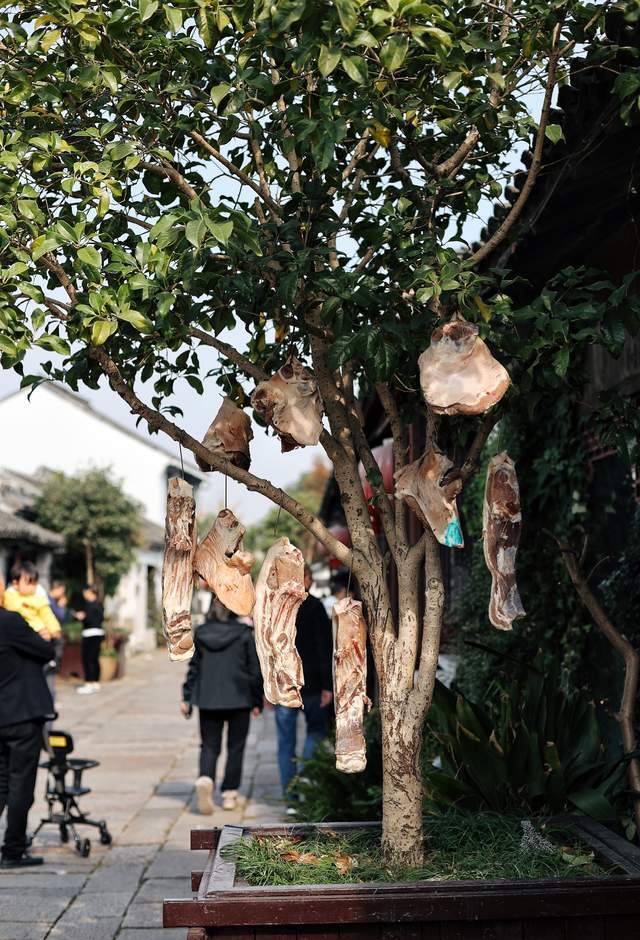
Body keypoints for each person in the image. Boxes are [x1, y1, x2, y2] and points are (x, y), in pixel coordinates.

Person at [181, 599, 263, 814]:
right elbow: (254, 669)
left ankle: (206, 778)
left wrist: (187, 697)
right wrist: (257, 700)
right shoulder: (244, 633)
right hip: (239, 698)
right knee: (235, 747)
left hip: (208, 699)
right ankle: (229, 794)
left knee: (209, 745)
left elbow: (194, 667)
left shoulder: (201, 632)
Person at [0, 606, 55, 868]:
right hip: (20, 715)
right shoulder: (9, 621)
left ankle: (12, 845)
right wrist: (43, 636)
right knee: (20, 784)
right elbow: (46, 651)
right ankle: (13, 850)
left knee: (1, 783)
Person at [275, 565, 333, 810]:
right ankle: (307, 784)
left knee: (286, 741)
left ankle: (291, 798)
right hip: (311, 683)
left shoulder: (278, 608)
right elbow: (324, 648)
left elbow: (269, 651)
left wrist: (268, 686)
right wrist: (327, 686)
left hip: (285, 683)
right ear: (307, 580)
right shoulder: (315, 607)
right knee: (315, 732)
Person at [2, 562, 61, 641]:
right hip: (16, 632)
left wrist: (54, 630)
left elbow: (48, 615)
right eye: (29, 583)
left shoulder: (39, 598)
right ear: (15, 584)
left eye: (35, 583)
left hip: (37, 631)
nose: (33, 587)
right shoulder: (8, 596)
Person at [72, 585, 104, 695]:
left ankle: (89, 683)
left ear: (91, 592)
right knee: (94, 659)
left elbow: (90, 619)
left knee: (87, 659)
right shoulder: (99, 604)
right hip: (98, 634)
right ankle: (95, 682)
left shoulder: (90, 605)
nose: (84, 594)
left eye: (85, 592)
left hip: (90, 634)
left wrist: (82, 616)